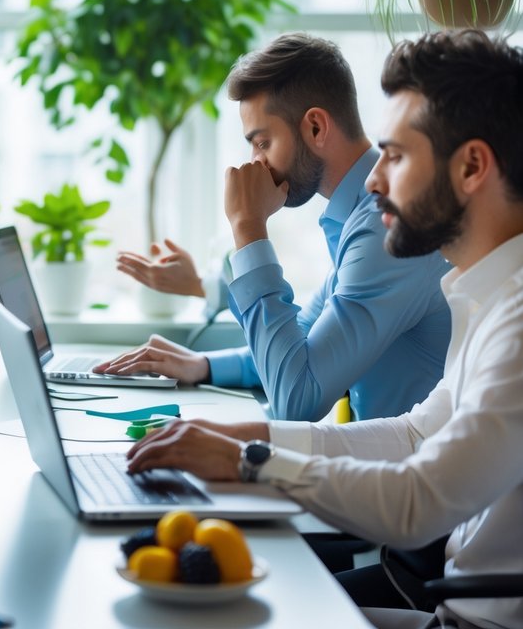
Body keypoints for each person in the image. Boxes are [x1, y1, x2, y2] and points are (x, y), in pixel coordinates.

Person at [127, 30, 523, 629]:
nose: (373, 179)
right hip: (444, 597)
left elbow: (417, 498)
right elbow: (415, 436)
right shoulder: (481, 295)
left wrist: (251, 458)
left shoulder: (515, 316)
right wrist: (241, 436)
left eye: (397, 155)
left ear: (470, 166)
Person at [95, 33, 451, 423]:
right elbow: (300, 344)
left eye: (262, 143)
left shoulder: (383, 226)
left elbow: (297, 398)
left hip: (403, 474)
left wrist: (247, 228)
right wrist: (204, 366)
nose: (254, 163)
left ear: (316, 127)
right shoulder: (356, 217)